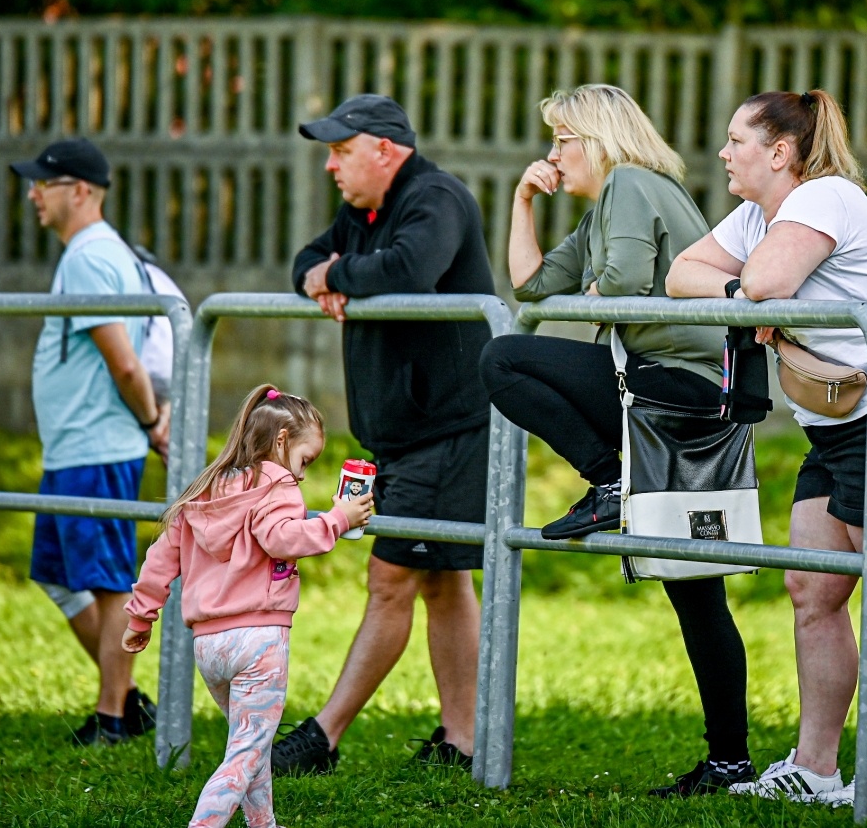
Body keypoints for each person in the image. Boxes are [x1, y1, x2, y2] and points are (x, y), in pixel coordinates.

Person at [667, 89, 867, 808]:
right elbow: (682, 275)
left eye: (737, 139)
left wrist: (753, 293)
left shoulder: (825, 196)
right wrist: (747, 295)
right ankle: (816, 765)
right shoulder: (756, 215)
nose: (723, 152)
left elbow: (770, 281)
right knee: (812, 588)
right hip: (836, 423)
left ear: (780, 152)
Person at [478, 84, 755, 796]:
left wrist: (597, 292)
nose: (553, 155)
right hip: (659, 385)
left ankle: (608, 481)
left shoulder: (632, 183)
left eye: (562, 139)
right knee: (697, 588)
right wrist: (521, 201)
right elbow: (534, 287)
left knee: (504, 360)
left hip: (676, 385)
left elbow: (627, 282)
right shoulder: (608, 204)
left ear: (596, 138)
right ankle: (730, 759)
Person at [273, 94, 494, 775]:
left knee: (389, 576)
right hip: (404, 433)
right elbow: (305, 258)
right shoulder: (363, 211)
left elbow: (406, 269)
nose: (331, 166)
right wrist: (326, 271)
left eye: (341, 151)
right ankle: (464, 739)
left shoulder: (436, 198)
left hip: (447, 426)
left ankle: (323, 736)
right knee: (443, 580)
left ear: (386, 151)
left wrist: (336, 275)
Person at [123, 384, 372, 828]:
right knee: (243, 754)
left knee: (252, 745)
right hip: (258, 643)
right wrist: (338, 519)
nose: (304, 474)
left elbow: (162, 556)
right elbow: (281, 538)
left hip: (210, 648)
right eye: (305, 460)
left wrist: (142, 616)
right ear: (281, 441)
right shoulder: (277, 486)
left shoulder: (206, 490)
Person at [11, 137, 171, 747]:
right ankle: (125, 698)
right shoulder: (97, 252)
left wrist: (151, 418)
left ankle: (113, 717)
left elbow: (125, 363)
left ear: (80, 190)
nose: (32, 193)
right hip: (78, 447)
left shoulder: (89, 255)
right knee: (59, 574)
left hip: (97, 446)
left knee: (106, 584)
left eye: (42, 183)